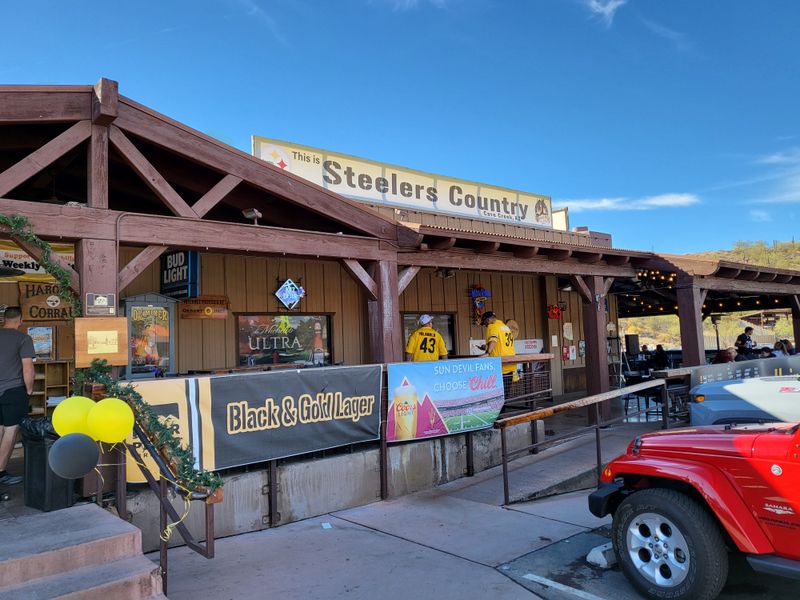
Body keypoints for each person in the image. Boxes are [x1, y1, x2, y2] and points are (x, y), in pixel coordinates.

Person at [0, 307, 35, 485]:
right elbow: (28, 368)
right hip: (13, 390)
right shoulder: (23, 339)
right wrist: (29, 390)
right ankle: (1, 472)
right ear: (20, 320)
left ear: (4, 319)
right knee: (10, 430)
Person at [479, 311, 518, 382]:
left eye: (485, 323)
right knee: (506, 391)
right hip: (511, 364)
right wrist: (486, 346)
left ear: (488, 320)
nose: (485, 326)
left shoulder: (492, 326)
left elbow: (493, 340)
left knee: (498, 392)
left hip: (500, 366)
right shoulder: (505, 327)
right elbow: (501, 343)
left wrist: (487, 353)